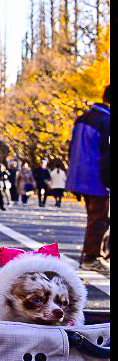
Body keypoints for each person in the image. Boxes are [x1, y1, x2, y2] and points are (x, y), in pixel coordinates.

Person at [66, 86, 110, 273]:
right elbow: (108, 155)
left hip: (80, 176)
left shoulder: (83, 118)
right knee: (99, 218)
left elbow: (72, 149)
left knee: (95, 218)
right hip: (98, 177)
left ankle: (93, 254)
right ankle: (91, 258)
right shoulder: (107, 120)